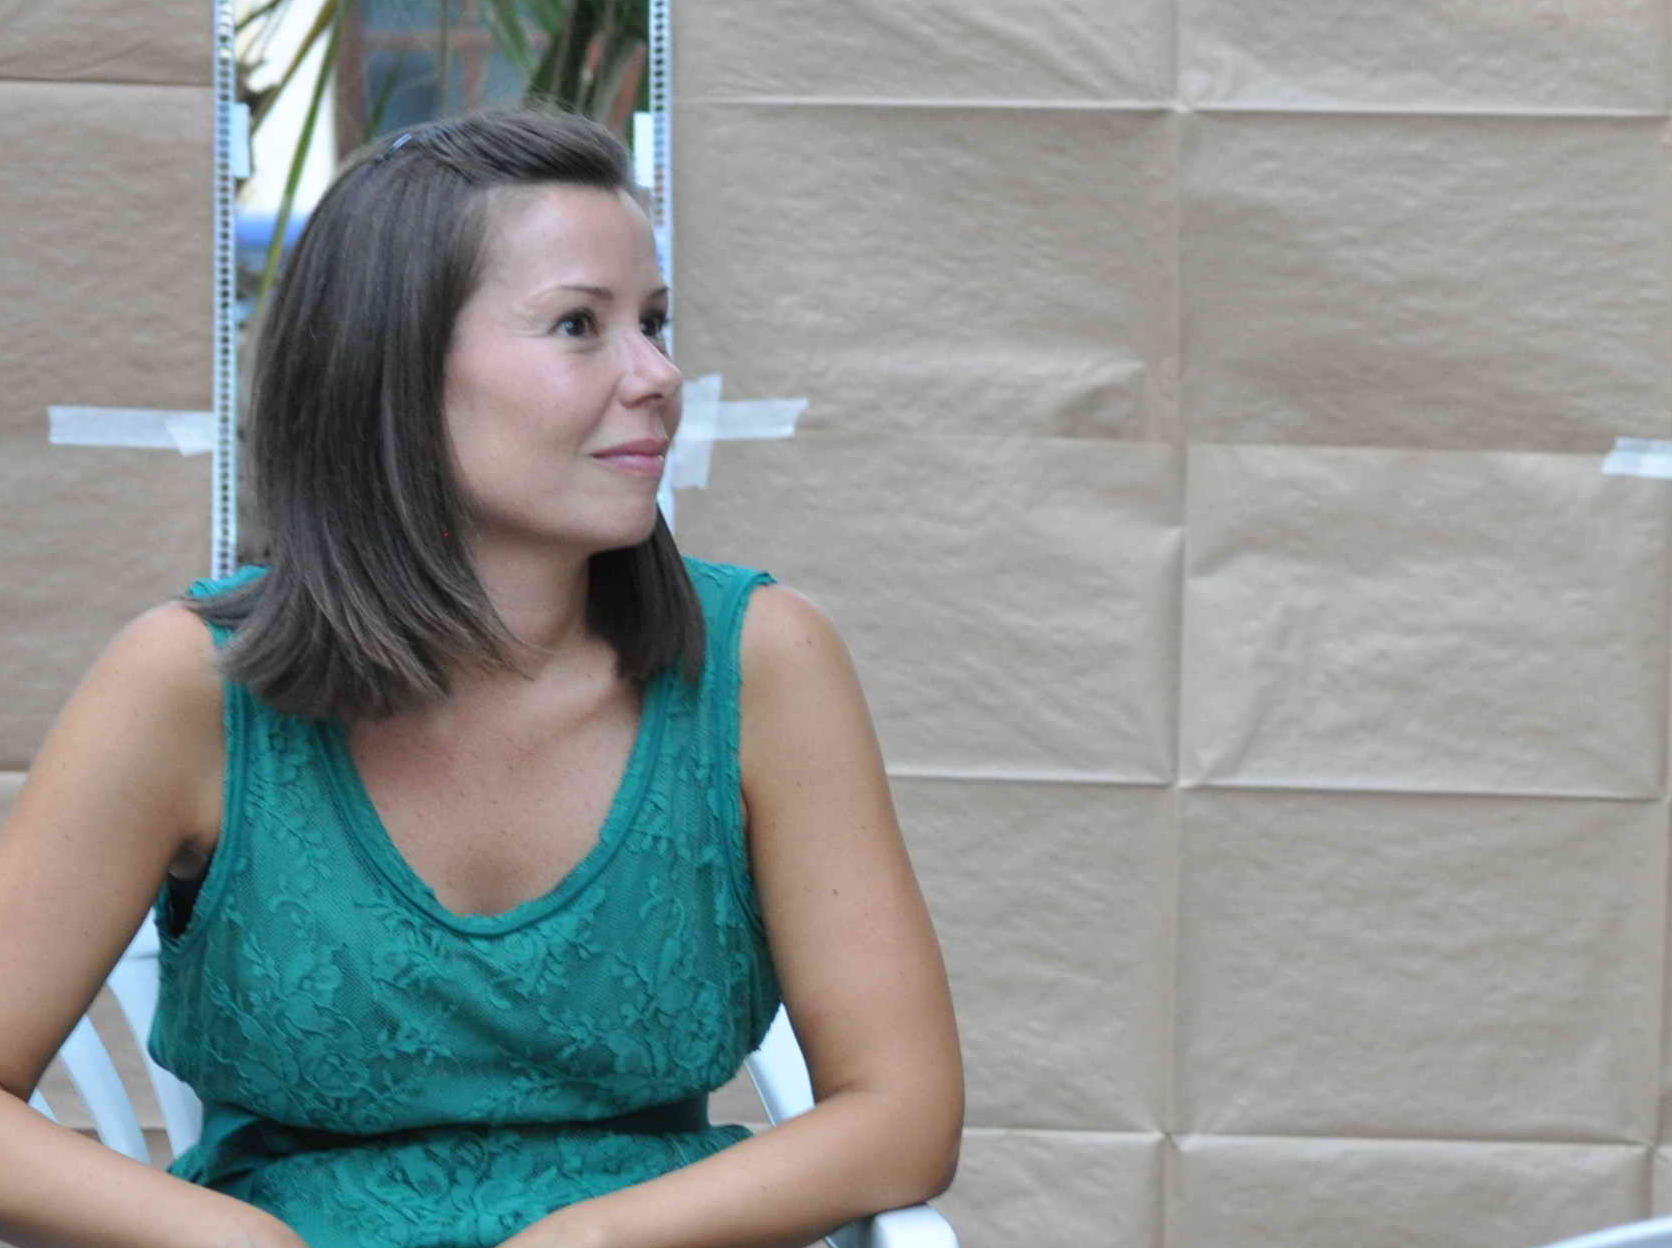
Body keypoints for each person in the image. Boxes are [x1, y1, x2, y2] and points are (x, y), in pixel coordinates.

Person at [0, 110, 961, 1246]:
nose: (659, 375)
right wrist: (239, 1240)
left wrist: (588, 1241)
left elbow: (903, 1114)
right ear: (394, 369)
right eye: (579, 325)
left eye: (653, 322)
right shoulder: (189, 686)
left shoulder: (763, 661)